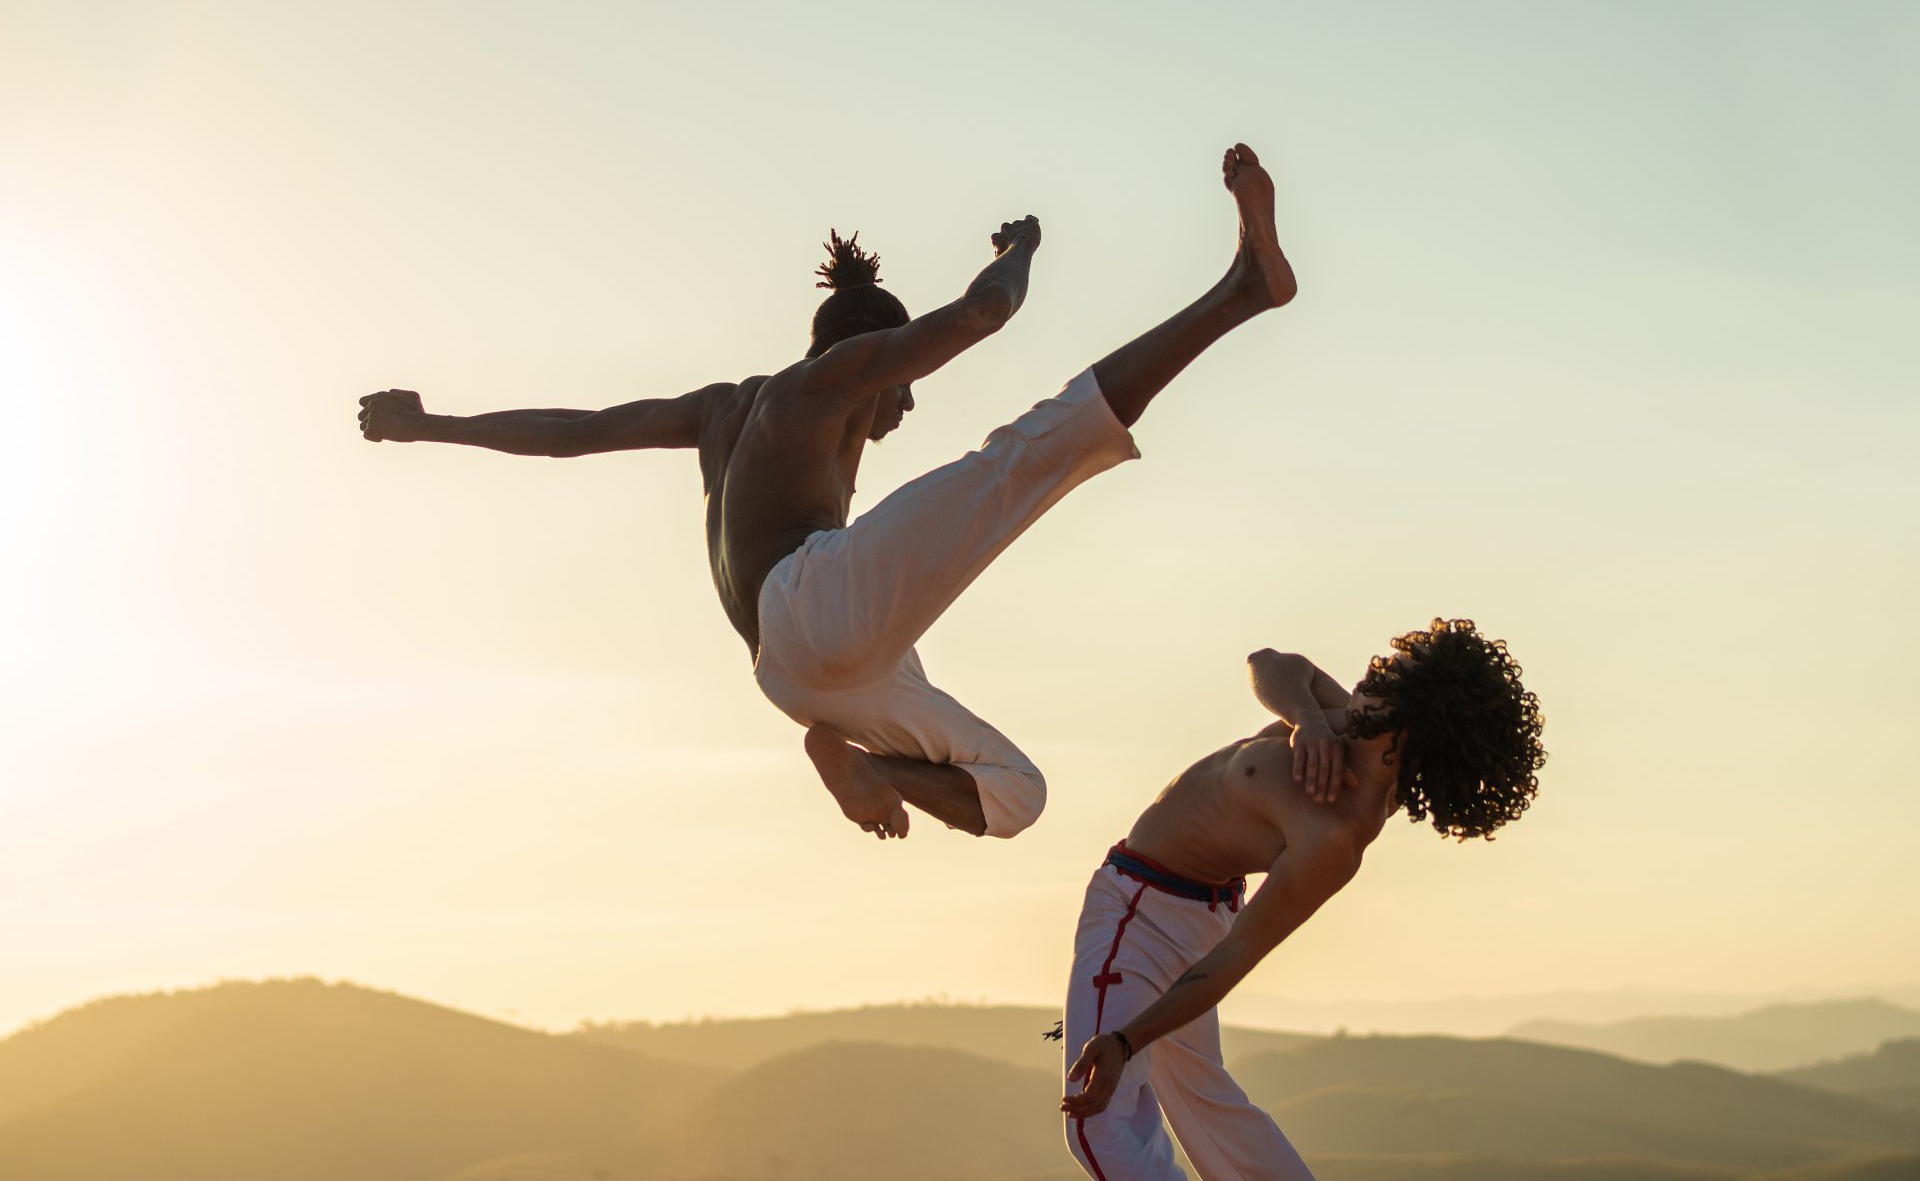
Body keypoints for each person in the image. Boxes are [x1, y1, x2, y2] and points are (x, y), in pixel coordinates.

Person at [358, 144, 1296, 842]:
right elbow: (984, 313)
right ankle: (1242, 290)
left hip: (794, 673)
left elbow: (571, 433)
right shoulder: (832, 378)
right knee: (1025, 456)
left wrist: (432, 424)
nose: (907, 404)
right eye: (903, 386)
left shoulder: (722, 409)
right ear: (865, 360)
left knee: (1017, 792)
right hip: (814, 609)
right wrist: (1025, 246)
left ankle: (846, 759)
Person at [1059, 620, 1547, 1180]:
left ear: (1411, 723)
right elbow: (1270, 661)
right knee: (1207, 1100)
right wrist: (1308, 721)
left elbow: (1233, 959)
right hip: (1190, 907)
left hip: (1140, 911)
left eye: (1392, 675)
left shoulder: (1336, 834)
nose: (1375, 669)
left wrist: (1125, 1040)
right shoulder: (1346, 726)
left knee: (1097, 1123)